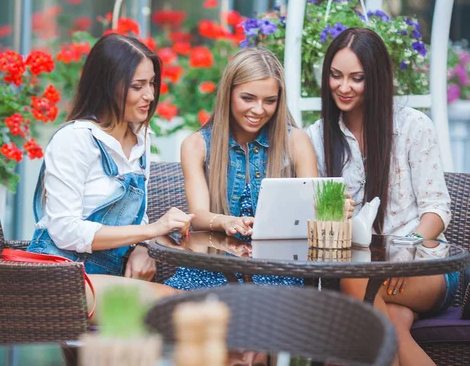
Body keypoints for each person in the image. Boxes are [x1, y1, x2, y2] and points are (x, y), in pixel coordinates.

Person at [306, 27, 456, 366]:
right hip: (361, 276)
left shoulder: (413, 127)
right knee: (390, 328)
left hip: (422, 268)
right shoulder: (316, 137)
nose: (343, 87)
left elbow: (437, 208)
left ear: (375, 78)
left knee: (353, 279)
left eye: (356, 78)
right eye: (335, 75)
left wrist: (406, 247)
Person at [27, 34, 193, 301]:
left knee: (196, 300)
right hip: (63, 275)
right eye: (137, 86)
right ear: (107, 86)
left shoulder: (140, 137)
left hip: (108, 276)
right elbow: (65, 231)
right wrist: (151, 232)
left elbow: (138, 217)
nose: (150, 95)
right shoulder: (76, 139)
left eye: (151, 83)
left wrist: (142, 247)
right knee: (180, 306)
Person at [164, 47, 320, 290]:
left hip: (278, 272)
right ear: (228, 94)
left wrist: (333, 208)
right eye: (248, 98)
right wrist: (226, 222)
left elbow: (314, 208)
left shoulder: (296, 141)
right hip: (210, 271)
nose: (259, 110)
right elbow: (198, 216)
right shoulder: (196, 145)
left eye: (270, 101)